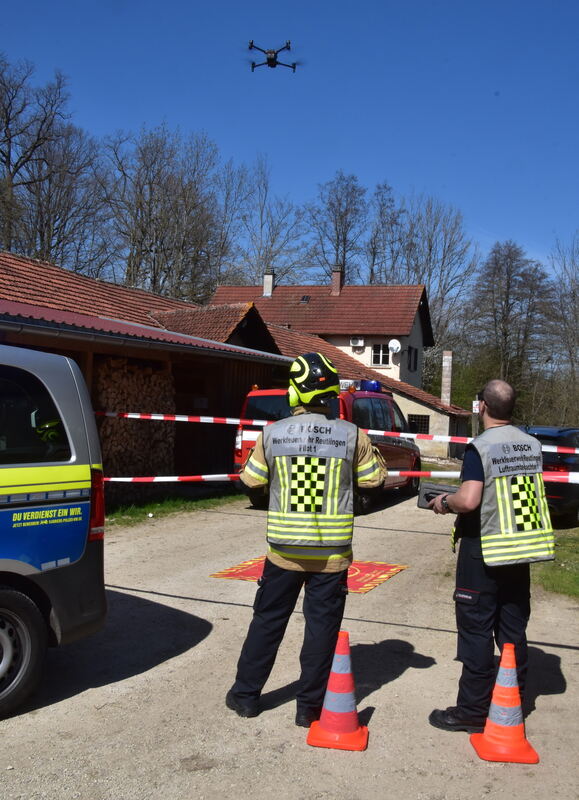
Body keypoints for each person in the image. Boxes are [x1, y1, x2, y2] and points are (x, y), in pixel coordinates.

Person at [226, 352, 386, 727]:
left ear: (295, 392)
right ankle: (308, 709)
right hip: (332, 557)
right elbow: (374, 480)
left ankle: (246, 696)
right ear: (330, 393)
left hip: (283, 552)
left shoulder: (273, 433)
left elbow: (250, 480)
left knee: (267, 622)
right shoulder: (352, 435)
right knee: (321, 631)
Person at [428, 379, 554, 733]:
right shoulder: (531, 445)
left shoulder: (480, 447)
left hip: (483, 552)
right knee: (513, 630)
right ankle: (513, 699)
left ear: (481, 405)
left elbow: (469, 500)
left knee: (476, 633)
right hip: (520, 550)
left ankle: (471, 711)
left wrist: (444, 502)